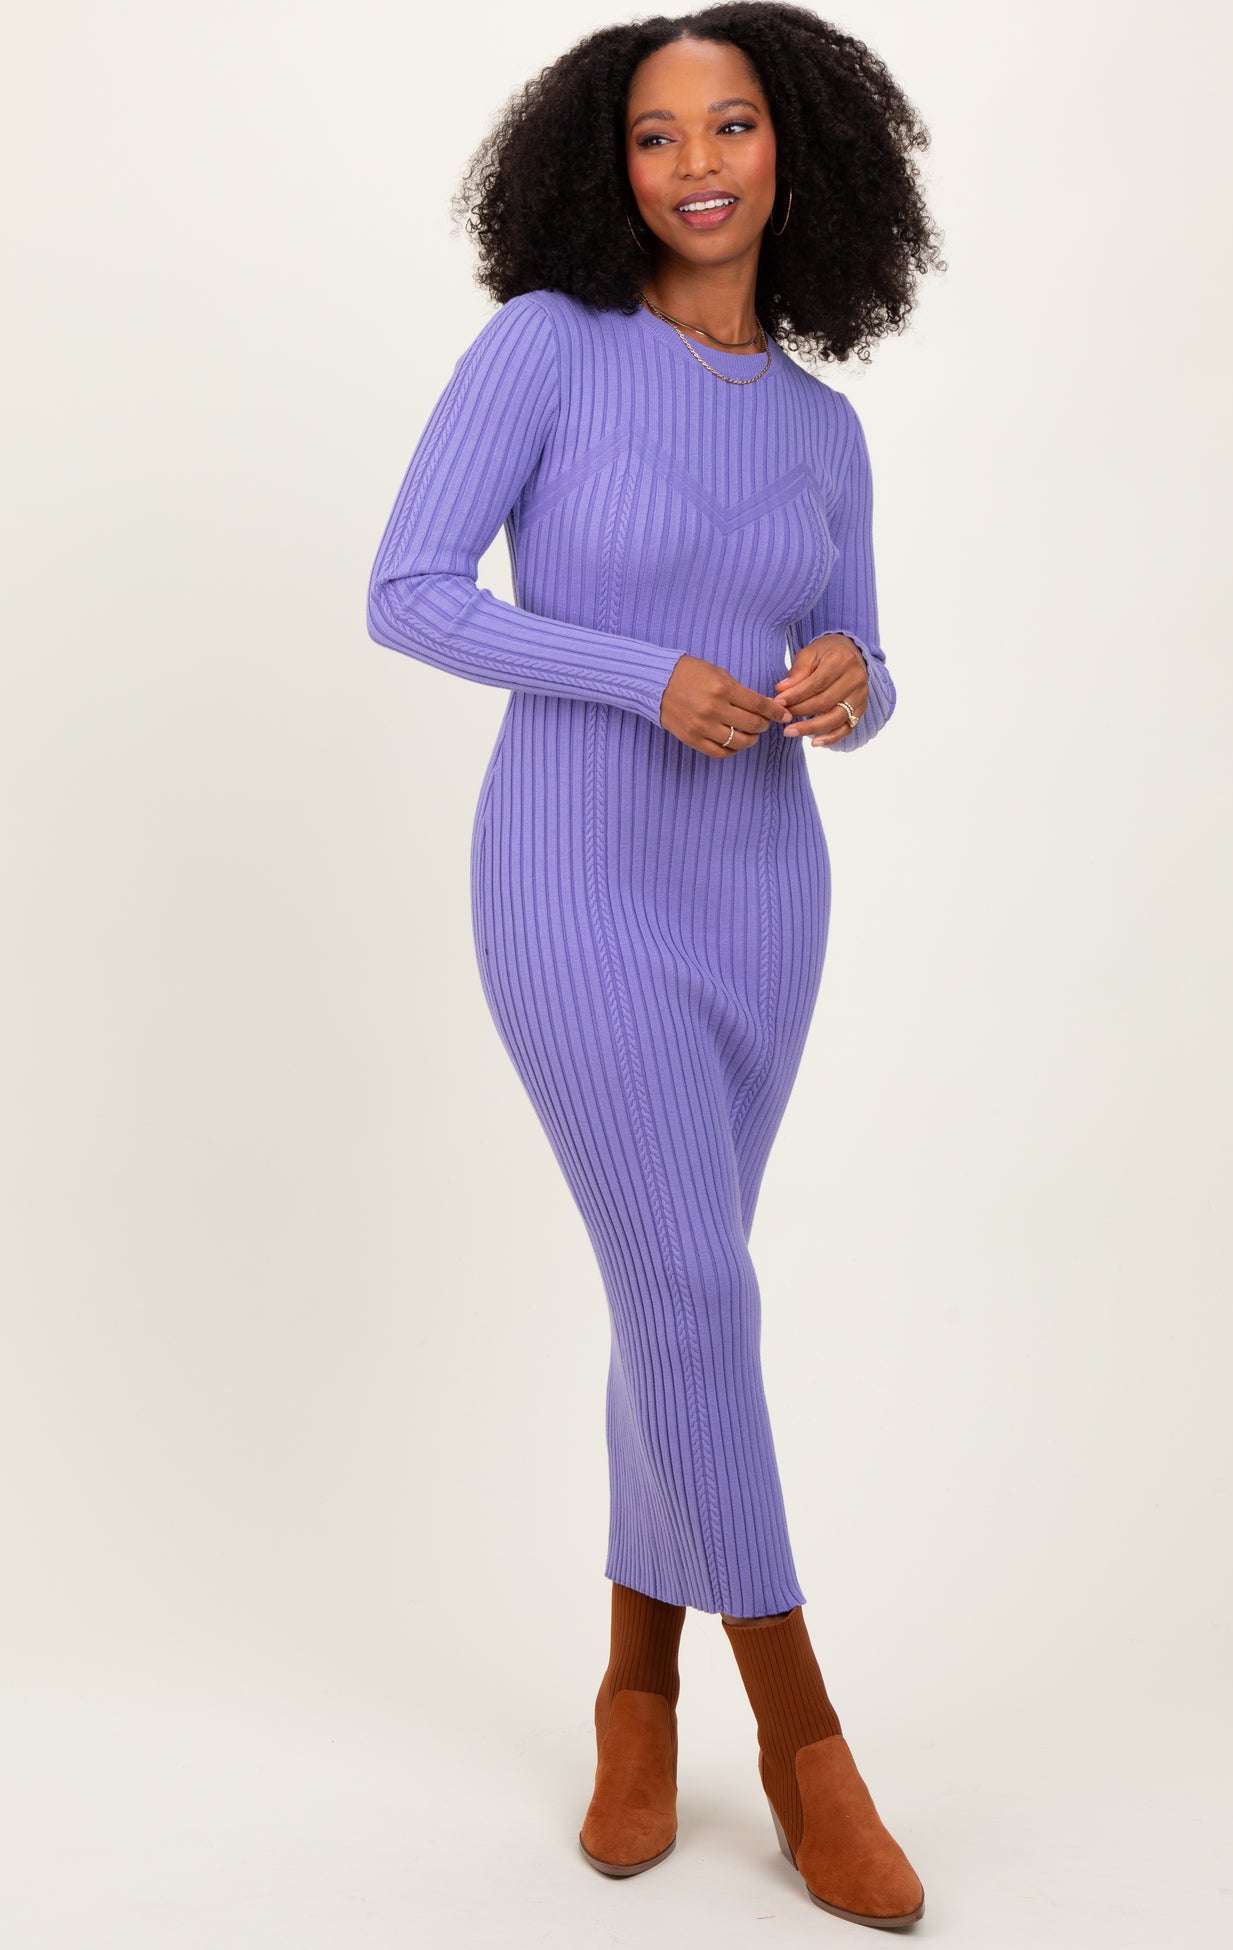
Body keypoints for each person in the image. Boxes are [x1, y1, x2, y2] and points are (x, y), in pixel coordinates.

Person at [366, 4, 944, 1929]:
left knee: (668, 1296)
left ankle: (634, 1690)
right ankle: (805, 1738)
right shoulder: (546, 347)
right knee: (697, 1284)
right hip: (572, 879)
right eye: (654, 135)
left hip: (763, 898)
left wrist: (852, 684)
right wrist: (638, 675)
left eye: (734, 126)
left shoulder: (825, 428)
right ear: (602, 166)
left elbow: (866, 658)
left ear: (798, 154)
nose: (697, 164)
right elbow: (408, 591)